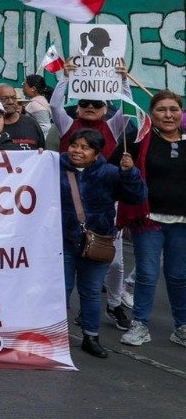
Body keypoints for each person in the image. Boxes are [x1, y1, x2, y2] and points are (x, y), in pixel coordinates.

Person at [60, 127, 146, 358]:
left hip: (97, 242)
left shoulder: (109, 172)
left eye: (85, 147)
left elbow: (137, 197)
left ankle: (91, 337)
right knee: (60, 291)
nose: (77, 151)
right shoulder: (54, 166)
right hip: (61, 242)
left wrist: (130, 173)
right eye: (74, 145)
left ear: (97, 153)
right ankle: (55, 336)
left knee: (90, 292)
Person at [120, 90, 186, 347]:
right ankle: (140, 325)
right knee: (147, 274)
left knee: (179, 276)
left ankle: (181, 328)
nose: (168, 115)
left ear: (181, 113)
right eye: (161, 109)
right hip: (147, 220)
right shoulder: (138, 139)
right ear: (151, 114)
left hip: (182, 223)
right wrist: (126, 169)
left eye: (174, 109)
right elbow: (112, 169)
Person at [0, 84, 49, 149]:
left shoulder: (32, 123)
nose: (10, 102)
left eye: (13, 98)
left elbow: (42, 149)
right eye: (5, 99)